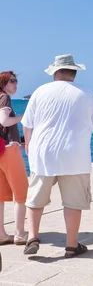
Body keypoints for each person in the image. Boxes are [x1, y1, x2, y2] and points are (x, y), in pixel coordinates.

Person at [22, 54, 93, 257]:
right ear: (74, 73)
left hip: (43, 153)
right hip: (74, 155)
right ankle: (71, 246)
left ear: (55, 72)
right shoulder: (86, 93)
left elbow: (27, 124)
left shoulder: (40, 91)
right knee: (72, 202)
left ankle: (32, 237)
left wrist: (29, 144)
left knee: (35, 199)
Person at [0, 71, 28, 245]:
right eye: (12, 81)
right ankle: (20, 234)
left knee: (0, 195)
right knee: (21, 192)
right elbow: (4, 121)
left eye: (16, 81)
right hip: (9, 149)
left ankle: (2, 235)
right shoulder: (4, 98)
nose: (15, 84)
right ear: (3, 83)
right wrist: (21, 118)